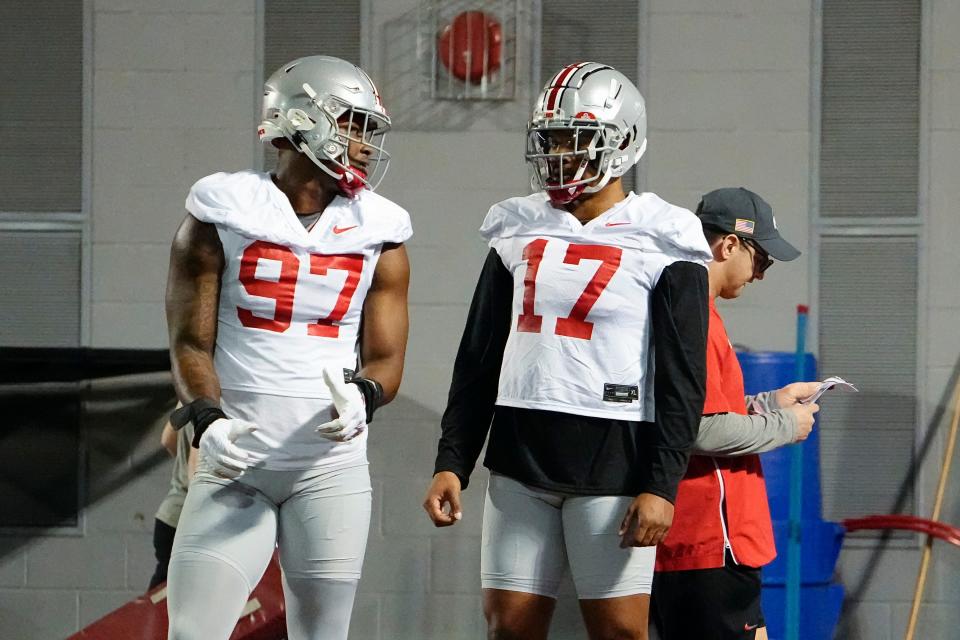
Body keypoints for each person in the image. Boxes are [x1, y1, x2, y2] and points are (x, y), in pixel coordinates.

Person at [422, 62, 712, 640]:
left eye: (573, 140)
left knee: (619, 633)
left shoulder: (665, 234)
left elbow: (683, 377)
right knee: (509, 628)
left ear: (622, 143)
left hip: (615, 454)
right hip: (519, 450)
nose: (556, 154)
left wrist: (661, 484)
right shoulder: (518, 226)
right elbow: (478, 355)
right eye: (549, 139)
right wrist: (453, 459)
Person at [164, 55, 411, 640]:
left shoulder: (383, 229)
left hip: (330, 468)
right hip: (236, 463)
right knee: (193, 633)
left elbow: (388, 359)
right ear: (301, 121)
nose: (365, 143)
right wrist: (207, 418)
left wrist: (367, 395)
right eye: (352, 124)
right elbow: (190, 343)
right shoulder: (221, 211)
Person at [651, 187, 821, 640]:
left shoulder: (702, 313)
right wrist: (786, 426)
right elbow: (696, 429)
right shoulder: (694, 321)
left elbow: (698, 408)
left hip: (716, 544)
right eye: (760, 260)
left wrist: (769, 404)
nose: (760, 275)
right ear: (729, 245)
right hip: (708, 541)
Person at [148, 405, 196, 591]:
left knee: (162, 597)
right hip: (187, 523)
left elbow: (167, 439)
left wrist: (182, 466)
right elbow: (196, 477)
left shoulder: (189, 393)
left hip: (170, 516)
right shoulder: (217, 406)